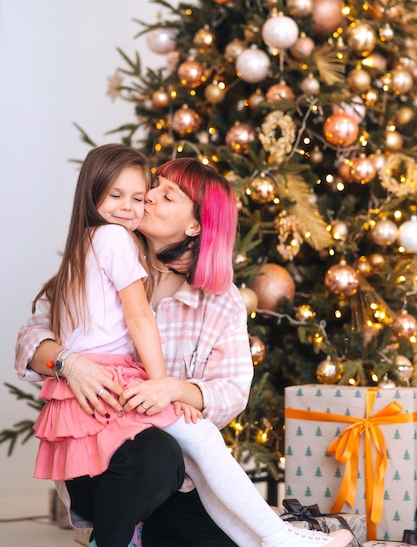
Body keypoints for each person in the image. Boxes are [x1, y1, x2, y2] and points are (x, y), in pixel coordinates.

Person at [15, 148, 352, 547]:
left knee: (207, 522)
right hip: (105, 462)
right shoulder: (104, 255)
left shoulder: (218, 300)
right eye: (153, 186)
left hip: (180, 478)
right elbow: (31, 337)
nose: (148, 196)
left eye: (167, 195)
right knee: (156, 453)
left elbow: (231, 391)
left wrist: (172, 388)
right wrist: (69, 363)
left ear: (195, 226)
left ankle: (277, 537)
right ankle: (117, 535)